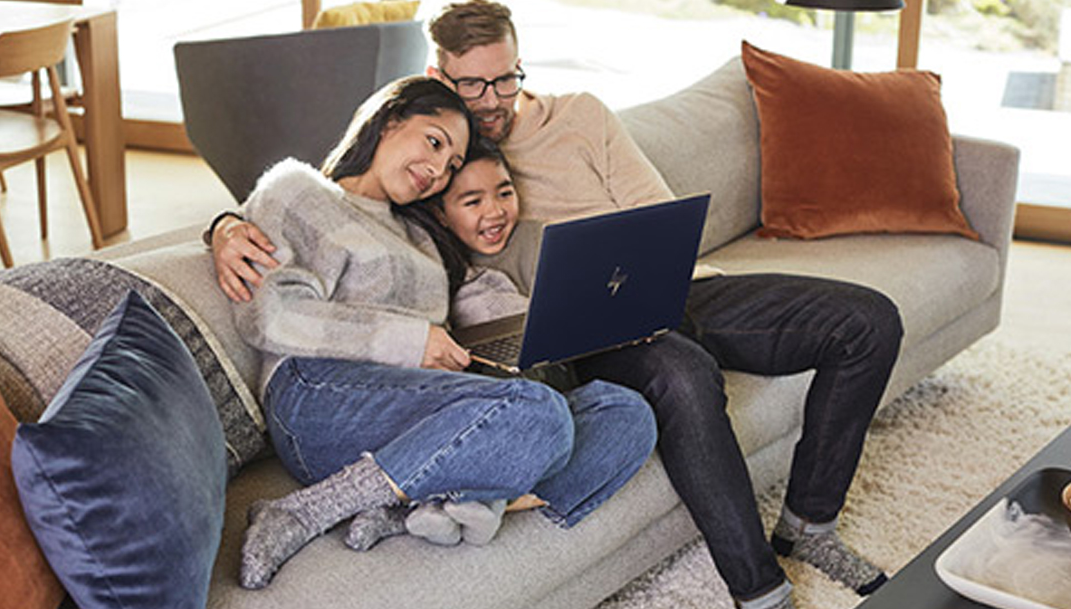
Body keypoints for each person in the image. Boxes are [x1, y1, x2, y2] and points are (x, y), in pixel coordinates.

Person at [211, 4, 904, 608]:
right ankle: (758, 589)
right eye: (460, 99)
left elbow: (634, 223)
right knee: (638, 386)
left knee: (849, 327)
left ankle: (401, 506)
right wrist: (223, 225)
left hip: (650, 294)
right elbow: (277, 288)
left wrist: (566, 305)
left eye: (503, 79)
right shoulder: (350, 191)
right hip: (375, 377)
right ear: (423, 87)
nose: (486, 104)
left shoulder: (494, 175)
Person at [231, 76, 657, 590]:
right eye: (434, 142)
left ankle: (413, 501)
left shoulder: (421, 234)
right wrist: (412, 341)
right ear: (390, 120)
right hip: (315, 398)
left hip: (416, 414)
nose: (437, 169)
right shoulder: (296, 189)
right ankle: (303, 512)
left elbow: (480, 299)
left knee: (625, 411)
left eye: (451, 164)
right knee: (540, 416)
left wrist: (569, 318)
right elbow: (270, 314)